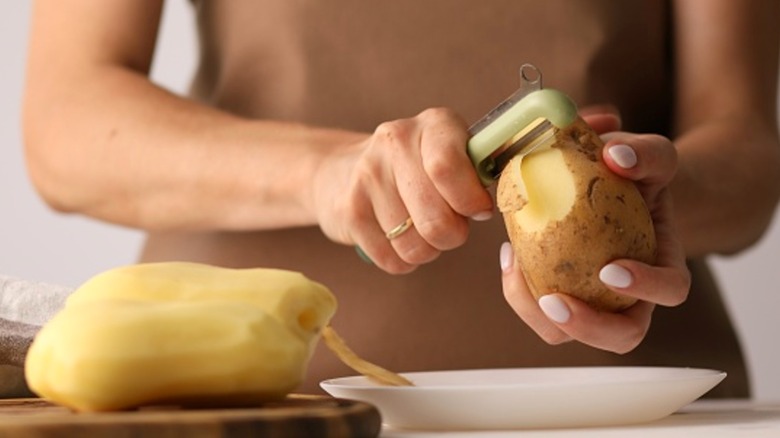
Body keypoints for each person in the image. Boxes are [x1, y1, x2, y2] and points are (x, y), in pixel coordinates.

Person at [23, 0, 780, 398]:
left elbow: (743, 140)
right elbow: (65, 125)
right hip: (263, 412)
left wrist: (656, 195)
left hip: (630, 416)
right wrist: (323, 172)